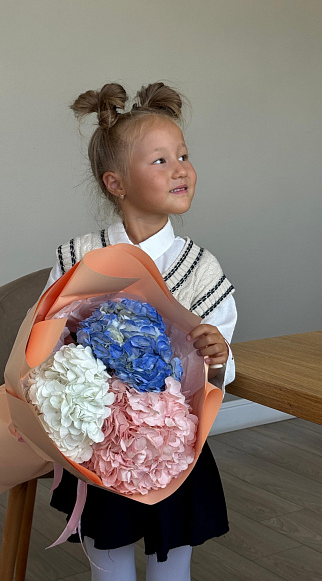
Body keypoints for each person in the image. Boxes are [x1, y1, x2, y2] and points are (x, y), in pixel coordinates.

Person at [43, 82, 237, 581]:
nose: (181, 169)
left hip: (174, 445)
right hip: (100, 442)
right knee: (108, 561)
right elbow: (48, 342)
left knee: (171, 560)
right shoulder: (79, 255)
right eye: (160, 160)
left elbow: (221, 367)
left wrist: (217, 353)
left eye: (184, 156)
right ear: (115, 183)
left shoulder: (200, 267)